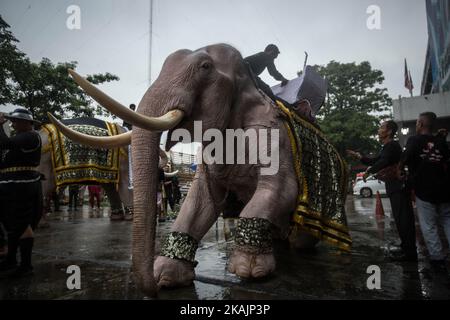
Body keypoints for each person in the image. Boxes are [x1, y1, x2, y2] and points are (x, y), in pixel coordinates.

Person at [347, 120, 417, 261]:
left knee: (403, 219)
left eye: (381, 127)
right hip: (395, 186)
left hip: (398, 186)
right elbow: (375, 160)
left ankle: (409, 253)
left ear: (389, 131)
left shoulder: (391, 146)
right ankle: (406, 248)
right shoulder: (387, 147)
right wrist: (360, 157)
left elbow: (382, 162)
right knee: (400, 219)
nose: (379, 130)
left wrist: (369, 172)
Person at [398, 112, 450, 270]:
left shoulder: (414, 140)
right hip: (444, 189)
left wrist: (400, 169)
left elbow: (404, 158)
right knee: (448, 221)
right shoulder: (441, 141)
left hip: (424, 190)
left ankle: (437, 258)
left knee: (429, 225)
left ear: (420, 123)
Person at [0, 109, 43, 276]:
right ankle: (11, 260)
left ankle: (25, 266)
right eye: (12, 120)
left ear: (27, 123)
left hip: (21, 186)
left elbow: (4, 143)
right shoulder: (18, 138)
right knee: (12, 225)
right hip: (11, 184)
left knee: (21, 224)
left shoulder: (30, 136)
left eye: (16, 121)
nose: (13, 123)